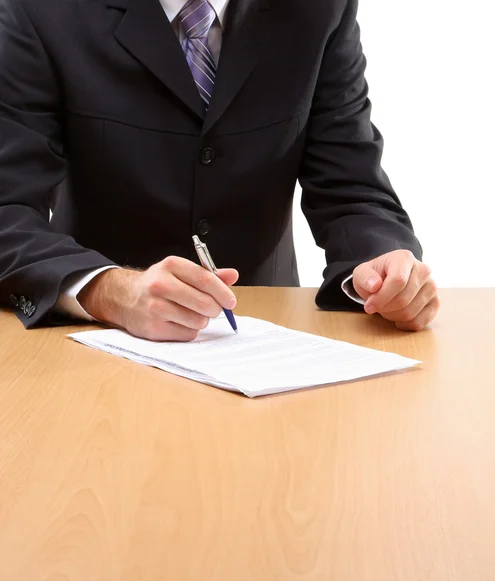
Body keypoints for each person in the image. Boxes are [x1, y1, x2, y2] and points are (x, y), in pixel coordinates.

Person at [0, 0, 439, 342]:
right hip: (95, 342)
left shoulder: (318, 9)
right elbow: (8, 209)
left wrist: (383, 266)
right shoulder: (41, 11)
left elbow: (352, 188)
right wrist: (110, 291)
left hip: (267, 345)